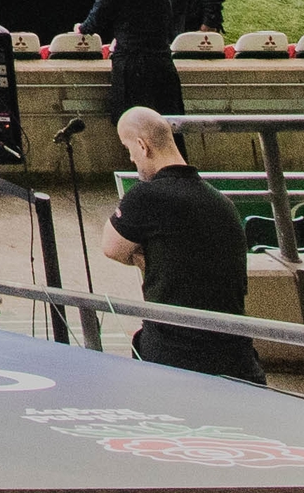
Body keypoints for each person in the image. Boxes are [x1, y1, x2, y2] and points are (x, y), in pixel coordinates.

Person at [101, 106, 261, 382]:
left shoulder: (147, 196)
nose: (130, 157)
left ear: (142, 145)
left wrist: (143, 255)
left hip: (176, 355)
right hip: (237, 359)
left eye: (128, 148)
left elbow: (111, 247)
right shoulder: (221, 202)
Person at [88, 0, 183, 117]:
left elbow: (93, 23)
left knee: (133, 126)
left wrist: (81, 29)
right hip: (163, 64)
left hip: (132, 68)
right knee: (168, 124)